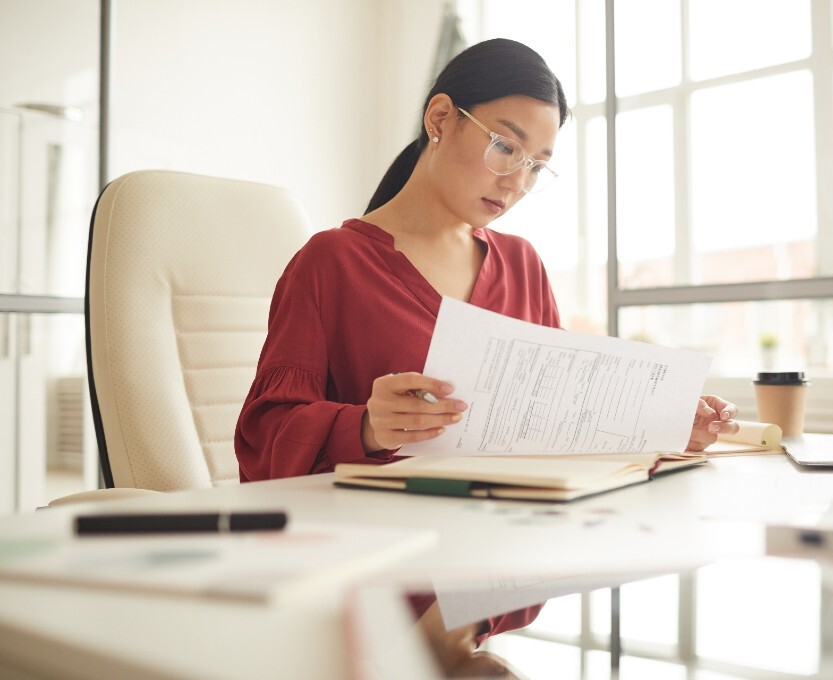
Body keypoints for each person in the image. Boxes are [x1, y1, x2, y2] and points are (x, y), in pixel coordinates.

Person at [234, 37, 737, 668]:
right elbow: (262, 439)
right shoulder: (330, 263)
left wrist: (666, 426)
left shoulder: (523, 265)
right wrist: (361, 424)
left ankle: (447, 645)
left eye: (536, 165)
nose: (516, 181)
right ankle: (436, 648)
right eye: (504, 145)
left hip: (504, 558)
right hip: (386, 558)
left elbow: (565, 422)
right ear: (440, 118)